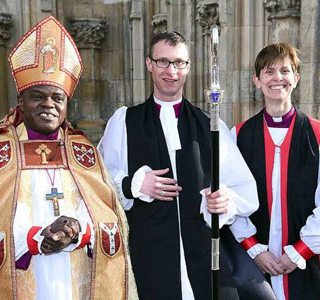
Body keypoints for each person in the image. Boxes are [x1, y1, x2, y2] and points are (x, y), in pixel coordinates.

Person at [0, 16, 137, 300]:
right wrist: (35, 237)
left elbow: (108, 215)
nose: (48, 104)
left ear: (67, 103)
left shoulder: (84, 152)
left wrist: (77, 230)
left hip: (78, 276)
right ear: (21, 100)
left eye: (57, 98)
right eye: (37, 96)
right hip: (21, 278)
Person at [98, 31, 275, 300]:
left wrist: (224, 200)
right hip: (149, 256)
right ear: (149, 64)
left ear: (188, 67)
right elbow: (100, 180)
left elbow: (243, 189)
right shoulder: (124, 122)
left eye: (179, 63)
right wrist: (133, 184)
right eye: (163, 62)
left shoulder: (211, 126)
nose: (172, 71)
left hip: (203, 255)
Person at [232, 43, 320, 300]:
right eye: (269, 71)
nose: (277, 78)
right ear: (257, 80)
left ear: (295, 79)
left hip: (308, 260)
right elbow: (231, 202)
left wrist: (298, 253)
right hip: (255, 261)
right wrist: (254, 249)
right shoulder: (238, 136)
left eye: (285, 71)